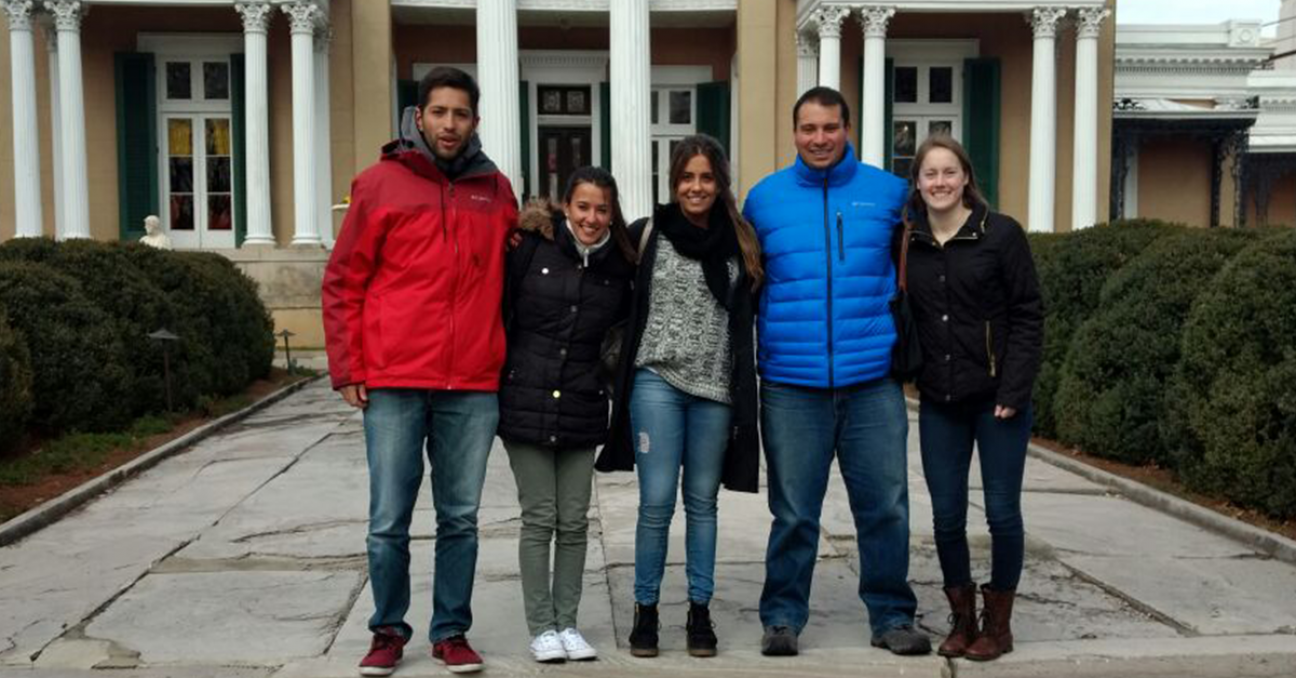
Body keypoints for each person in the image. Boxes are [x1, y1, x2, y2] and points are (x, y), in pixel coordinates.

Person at [321, 66, 516, 677]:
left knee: (460, 517)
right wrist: (349, 365)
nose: (450, 125)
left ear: (475, 121)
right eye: (440, 113)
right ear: (419, 116)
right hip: (396, 379)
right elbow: (344, 278)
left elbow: (519, 275)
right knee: (389, 518)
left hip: (472, 383)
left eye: (461, 114)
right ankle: (387, 629)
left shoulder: (496, 189)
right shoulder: (379, 184)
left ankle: (451, 630)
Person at [742, 87, 930, 657]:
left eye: (829, 127)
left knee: (885, 505)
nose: (818, 138)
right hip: (790, 383)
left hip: (872, 379)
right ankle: (781, 616)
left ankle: (892, 614)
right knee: (794, 511)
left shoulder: (890, 194)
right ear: (794, 132)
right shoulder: (764, 200)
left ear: (847, 128)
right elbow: (743, 282)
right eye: (807, 128)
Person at [598, 134, 763, 659]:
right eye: (686, 178)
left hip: (715, 389)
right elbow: (592, 260)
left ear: (720, 184)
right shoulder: (647, 234)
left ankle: (699, 611)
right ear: (673, 182)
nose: (696, 187)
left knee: (703, 505)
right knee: (656, 503)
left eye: (706, 178)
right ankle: (645, 612)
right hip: (656, 384)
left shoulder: (742, 241)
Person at [901, 135, 1042, 661]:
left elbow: (1028, 313)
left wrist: (1014, 386)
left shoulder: (1000, 234)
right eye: (929, 174)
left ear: (965, 178)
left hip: (998, 400)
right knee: (945, 515)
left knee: (1002, 512)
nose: (939, 182)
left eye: (948, 172)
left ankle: (998, 625)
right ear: (917, 182)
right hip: (940, 400)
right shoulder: (909, 242)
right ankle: (961, 621)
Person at [498, 167, 636, 663]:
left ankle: (568, 623)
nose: (592, 218)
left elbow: (621, 336)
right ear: (566, 207)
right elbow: (502, 312)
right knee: (540, 518)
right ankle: (542, 626)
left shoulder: (621, 266)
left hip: (580, 404)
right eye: (583, 207)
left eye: (601, 209)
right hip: (525, 400)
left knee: (575, 521)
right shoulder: (531, 249)